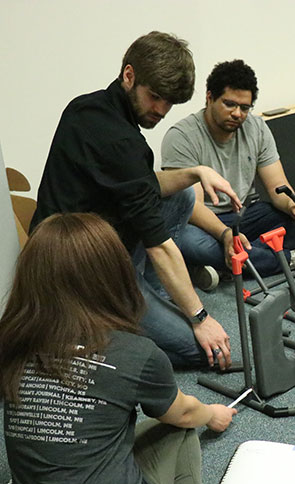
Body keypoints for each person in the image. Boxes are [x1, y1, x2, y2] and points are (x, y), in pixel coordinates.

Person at [0, 213, 295, 484]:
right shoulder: (133, 353)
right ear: (112, 275)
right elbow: (184, 410)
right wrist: (212, 413)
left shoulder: (12, 345)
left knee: (176, 433)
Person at [31, 31, 237, 370]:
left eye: (169, 102)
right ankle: (100, 332)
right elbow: (160, 245)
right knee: (202, 351)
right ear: (129, 75)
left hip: (79, 242)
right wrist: (200, 318)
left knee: (182, 195)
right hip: (79, 271)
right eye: (155, 97)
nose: (161, 110)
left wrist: (196, 172)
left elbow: (139, 183)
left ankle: (146, 301)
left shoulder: (87, 107)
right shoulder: (122, 142)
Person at [161, 59, 295, 281]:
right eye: (229, 104)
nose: (237, 113)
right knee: (188, 242)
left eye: (245, 108)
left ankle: (228, 265)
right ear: (209, 98)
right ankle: (291, 259)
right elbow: (193, 207)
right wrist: (225, 235)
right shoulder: (181, 137)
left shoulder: (257, 129)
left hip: (243, 217)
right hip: (203, 224)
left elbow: (278, 188)